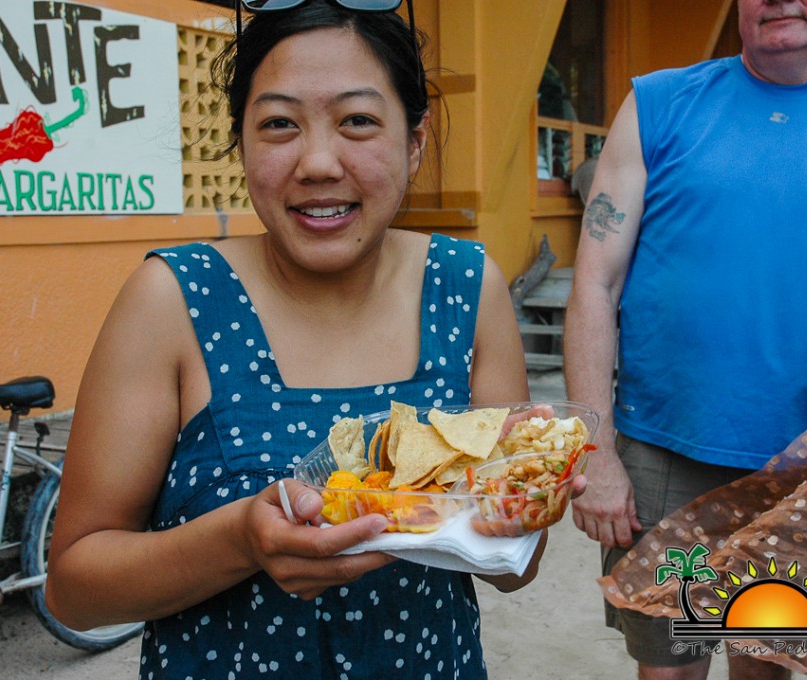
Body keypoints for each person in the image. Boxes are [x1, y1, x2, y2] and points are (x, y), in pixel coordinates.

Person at [45, 2, 578, 679]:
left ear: (415, 140)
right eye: (278, 125)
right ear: (240, 142)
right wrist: (241, 540)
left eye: (357, 121)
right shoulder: (172, 300)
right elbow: (74, 589)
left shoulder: (468, 289)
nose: (318, 162)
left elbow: (514, 571)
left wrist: (528, 497)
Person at [563, 1, 807, 678]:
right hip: (662, 452)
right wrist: (593, 448)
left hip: (803, 464)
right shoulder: (659, 103)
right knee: (670, 666)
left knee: (766, 663)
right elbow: (594, 287)